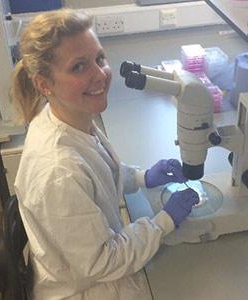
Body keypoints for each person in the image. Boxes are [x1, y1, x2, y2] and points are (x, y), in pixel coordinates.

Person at [12, 9, 199, 300]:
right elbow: (104, 262)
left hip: (85, 266)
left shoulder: (66, 117)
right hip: (87, 288)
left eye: (100, 59)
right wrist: (164, 222)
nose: (100, 75)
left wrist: (140, 177)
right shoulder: (58, 171)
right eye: (79, 67)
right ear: (43, 83)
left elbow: (93, 174)